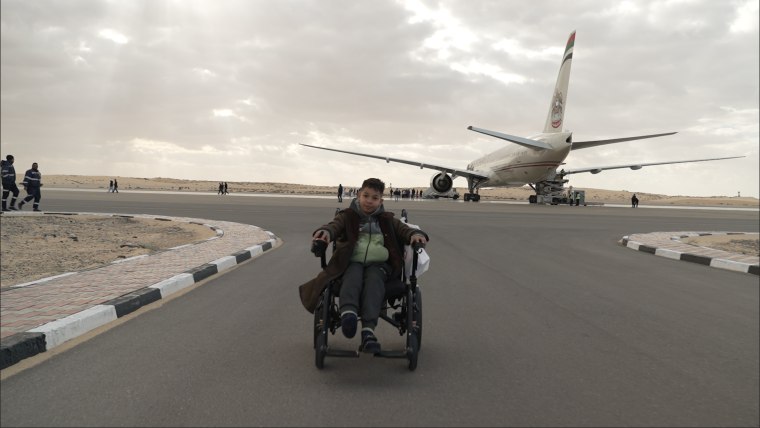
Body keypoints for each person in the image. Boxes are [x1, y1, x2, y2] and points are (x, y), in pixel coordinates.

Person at [298, 178, 429, 354]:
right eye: (365, 195)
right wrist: (325, 234)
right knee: (352, 276)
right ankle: (349, 315)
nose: (369, 201)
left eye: (374, 198)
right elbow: (333, 227)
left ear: (380, 201)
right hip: (351, 262)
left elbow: (405, 231)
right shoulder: (347, 216)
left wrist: (415, 234)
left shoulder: (387, 219)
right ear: (358, 195)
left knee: (374, 282)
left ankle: (368, 332)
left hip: (379, 265)